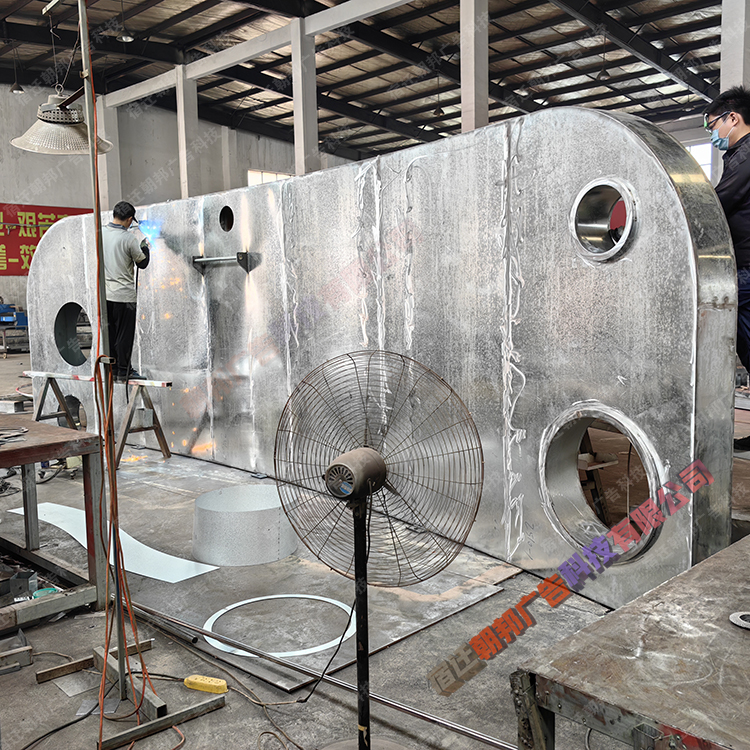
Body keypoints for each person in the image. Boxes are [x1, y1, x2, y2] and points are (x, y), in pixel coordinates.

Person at [704, 87, 750, 449]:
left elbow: (719, 202)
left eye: (713, 126)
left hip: (747, 270)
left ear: (732, 117)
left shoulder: (747, 154)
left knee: (702, 310)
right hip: (744, 265)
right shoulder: (737, 156)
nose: (713, 134)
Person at [102, 201, 150, 382]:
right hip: (124, 296)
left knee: (111, 333)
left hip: (105, 295)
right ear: (129, 219)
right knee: (124, 335)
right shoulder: (129, 239)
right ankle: (125, 370)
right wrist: (145, 246)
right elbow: (142, 263)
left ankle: (113, 369)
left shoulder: (101, 233)